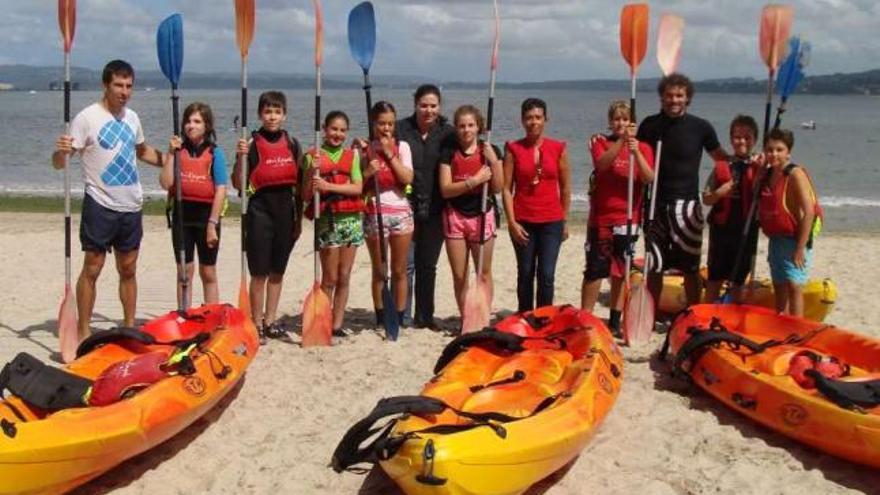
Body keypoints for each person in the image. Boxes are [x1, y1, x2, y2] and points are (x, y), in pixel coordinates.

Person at [52, 59, 166, 342]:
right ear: (106, 85)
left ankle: (129, 327)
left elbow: (141, 151)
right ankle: (83, 331)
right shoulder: (87, 118)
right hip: (100, 204)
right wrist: (60, 151)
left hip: (131, 205)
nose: (124, 91)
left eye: (129, 86)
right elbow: (59, 163)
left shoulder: (132, 118)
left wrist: (171, 160)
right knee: (92, 267)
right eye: (118, 85)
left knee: (128, 269)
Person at [636, 73, 728, 308]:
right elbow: (635, 158)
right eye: (669, 95)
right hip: (655, 205)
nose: (674, 100)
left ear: (688, 98)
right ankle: (651, 313)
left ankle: (692, 313)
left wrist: (746, 165)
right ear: (661, 97)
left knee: (690, 267)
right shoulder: (649, 125)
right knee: (654, 266)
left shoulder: (701, 127)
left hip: (687, 207)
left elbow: (722, 160)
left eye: (679, 95)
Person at [232, 91, 303, 340]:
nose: (272, 117)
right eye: (267, 111)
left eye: (277, 112)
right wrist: (240, 157)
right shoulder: (250, 144)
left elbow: (300, 186)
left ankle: (271, 321)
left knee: (277, 271)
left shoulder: (292, 143)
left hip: (286, 211)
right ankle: (257, 323)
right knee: (259, 272)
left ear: (284, 115)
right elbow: (238, 185)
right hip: (259, 211)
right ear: (260, 114)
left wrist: (300, 219)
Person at [582, 101, 654, 336]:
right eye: (616, 119)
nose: (620, 124)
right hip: (602, 219)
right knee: (595, 270)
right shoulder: (600, 142)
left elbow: (648, 177)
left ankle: (614, 320)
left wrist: (634, 151)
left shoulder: (642, 147)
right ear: (610, 121)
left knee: (619, 272)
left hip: (628, 219)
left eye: (625, 119)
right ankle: (586, 318)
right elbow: (601, 165)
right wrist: (621, 142)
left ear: (632, 122)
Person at [502, 98, 572, 312]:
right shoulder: (513, 149)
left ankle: (544, 317)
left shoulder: (558, 148)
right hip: (523, 221)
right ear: (522, 121)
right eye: (529, 118)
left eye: (538, 117)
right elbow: (506, 188)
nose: (534, 122)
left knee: (547, 274)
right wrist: (511, 223)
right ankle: (525, 315)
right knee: (525, 272)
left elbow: (566, 187)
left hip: (552, 221)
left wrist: (565, 220)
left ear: (545, 119)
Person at [396, 84, 456, 329]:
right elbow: (380, 144)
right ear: (415, 105)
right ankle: (403, 315)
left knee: (427, 265)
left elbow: (468, 148)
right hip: (405, 207)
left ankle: (425, 316)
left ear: (439, 107)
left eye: (433, 105)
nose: (428, 110)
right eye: (423, 105)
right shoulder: (401, 128)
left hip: (435, 208)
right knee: (405, 265)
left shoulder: (448, 133)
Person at [438, 105, 503, 324]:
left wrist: (494, 161)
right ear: (456, 128)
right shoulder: (449, 152)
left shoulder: (489, 150)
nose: (466, 130)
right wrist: (473, 181)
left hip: (482, 215)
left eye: (471, 125)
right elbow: (446, 189)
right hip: (455, 216)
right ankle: (467, 319)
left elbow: (497, 188)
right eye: (462, 126)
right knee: (460, 275)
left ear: (479, 127)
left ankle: (482, 319)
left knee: (483, 273)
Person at [301, 111, 364, 336]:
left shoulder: (352, 156)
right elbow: (306, 195)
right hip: (328, 221)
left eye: (342, 130)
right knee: (330, 277)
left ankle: (337, 324)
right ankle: (323, 322)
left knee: (344, 276)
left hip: (351, 222)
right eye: (333, 129)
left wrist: (330, 187)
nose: (337, 134)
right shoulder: (312, 157)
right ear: (324, 129)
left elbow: (357, 187)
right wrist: (311, 170)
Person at [161, 102, 228, 308]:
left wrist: (212, 224)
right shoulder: (177, 152)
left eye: (197, 121)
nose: (191, 125)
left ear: (207, 126)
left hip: (207, 217)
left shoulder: (215, 153)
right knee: (184, 271)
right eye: (188, 121)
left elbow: (221, 190)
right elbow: (166, 183)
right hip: (183, 216)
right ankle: (184, 314)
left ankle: (211, 314)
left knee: (208, 271)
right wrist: (171, 154)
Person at [357, 102, 414, 328]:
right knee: (380, 270)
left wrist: (390, 155)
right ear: (373, 124)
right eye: (381, 123)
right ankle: (381, 317)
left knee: (400, 270)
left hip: (400, 213)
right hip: (374, 213)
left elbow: (407, 178)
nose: (386, 128)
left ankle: (398, 317)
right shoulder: (363, 149)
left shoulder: (403, 147)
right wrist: (367, 170)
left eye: (390, 123)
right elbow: (358, 185)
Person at [757, 128, 822, 317]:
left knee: (794, 285)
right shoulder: (767, 175)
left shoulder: (795, 174)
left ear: (788, 152)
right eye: (769, 150)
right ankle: (782, 326)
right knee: (779, 285)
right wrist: (759, 169)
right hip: (777, 239)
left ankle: (797, 330)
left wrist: (801, 248)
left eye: (779, 150)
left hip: (796, 239)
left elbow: (808, 211)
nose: (773, 154)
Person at [702, 115, 761, 303]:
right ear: (730, 139)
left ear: (755, 140)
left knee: (738, 280)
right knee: (715, 278)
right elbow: (706, 199)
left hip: (746, 230)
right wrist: (721, 192)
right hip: (722, 232)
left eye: (747, 137)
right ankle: (708, 315)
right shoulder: (722, 166)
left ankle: (734, 317)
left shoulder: (760, 166)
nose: (741, 141)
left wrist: (765, 166)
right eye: (737, 137)